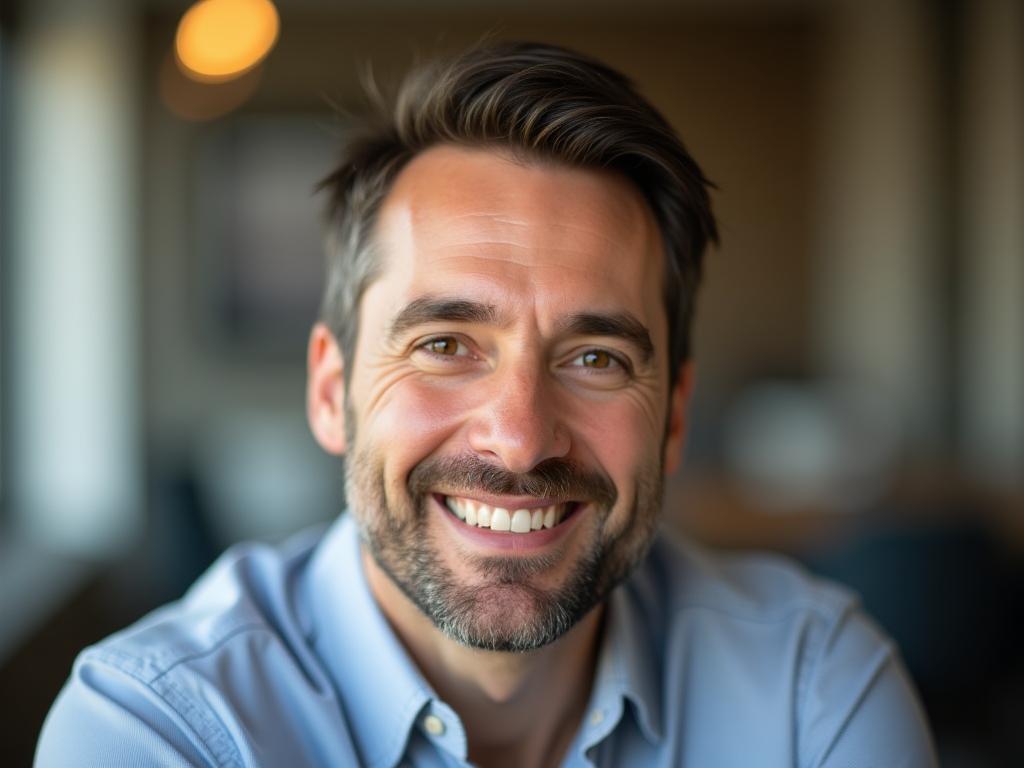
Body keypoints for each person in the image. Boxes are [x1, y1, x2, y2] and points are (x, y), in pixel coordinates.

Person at [36, 42, 937, 767]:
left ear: (671, 419)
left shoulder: (811, 694)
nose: (517, 439)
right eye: (444, 345)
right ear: (330, 389)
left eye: (594, 356)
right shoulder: (158, 734)